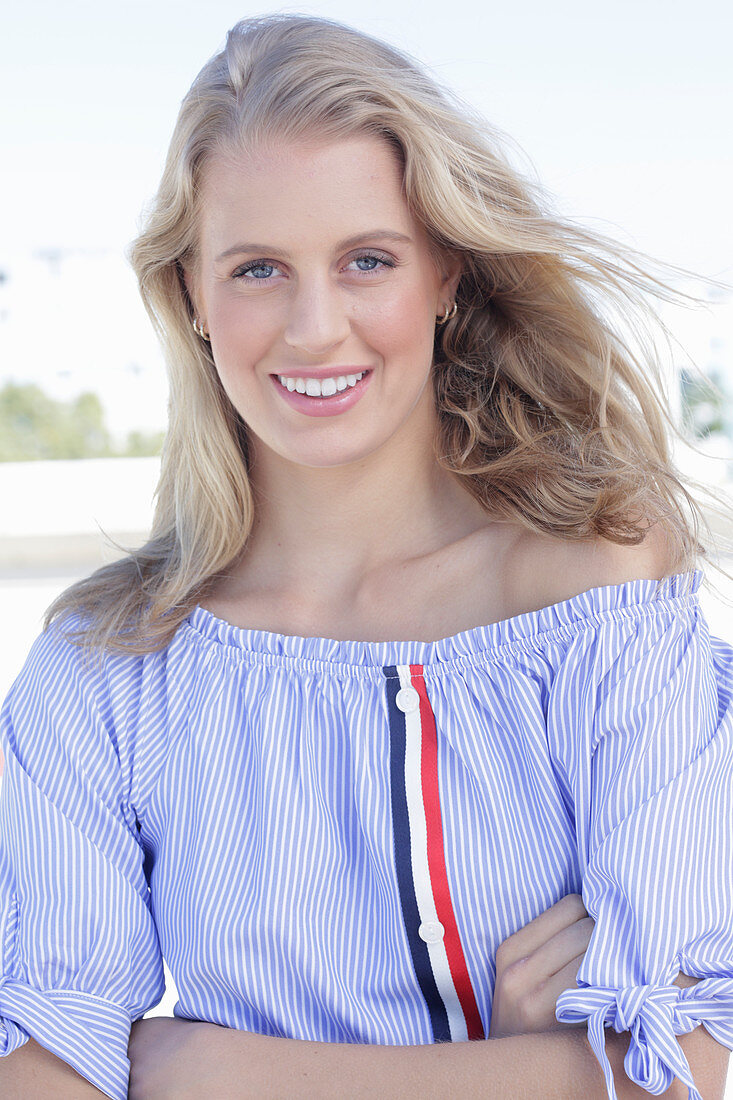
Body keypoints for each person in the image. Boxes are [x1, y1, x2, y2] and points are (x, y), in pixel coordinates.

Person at [1, 12, 732, 1099]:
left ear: (443, 274)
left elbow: (679, 1062)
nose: (312, 328)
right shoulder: (105, 670)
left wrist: (207, 1068)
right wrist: (536, 1069)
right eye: (255, 268)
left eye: (366, 260)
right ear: (191, 296)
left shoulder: (604, 594)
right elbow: (46, 1062)